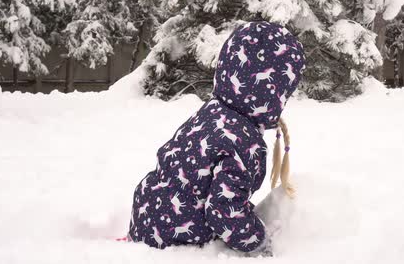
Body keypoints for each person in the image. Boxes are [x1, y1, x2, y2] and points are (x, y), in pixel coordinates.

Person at [128, 20, 305, 255]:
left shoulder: (211, 112)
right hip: (176, 243)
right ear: (275, 93)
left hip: (146, 219)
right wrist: (259, 242)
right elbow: (224, 211)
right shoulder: (244, 141)